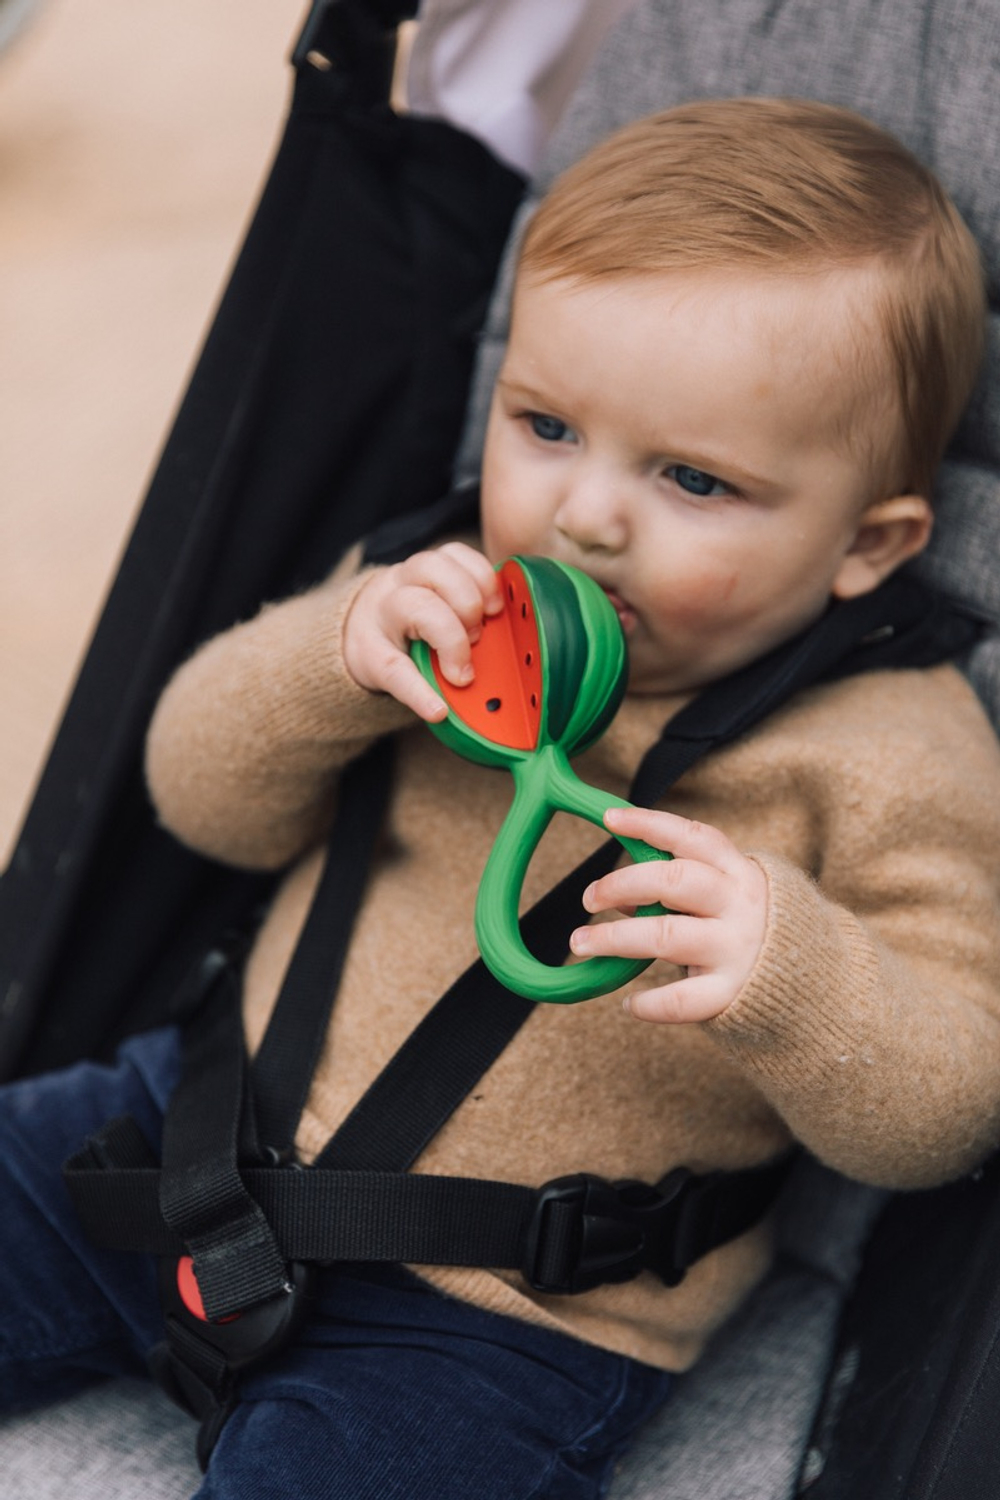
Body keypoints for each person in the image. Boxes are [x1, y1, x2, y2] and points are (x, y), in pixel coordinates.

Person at [3, 97, 1000, 1499]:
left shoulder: (895, 745)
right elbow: (197, 800)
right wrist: (332, 659)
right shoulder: (439, 600)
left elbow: (951, 1101)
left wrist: (791, 968)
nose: (583, 514)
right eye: (544, 425)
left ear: (868, 546)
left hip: (502, 1307)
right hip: (184, 1137)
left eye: (694, 477)